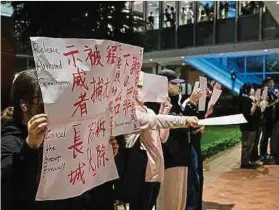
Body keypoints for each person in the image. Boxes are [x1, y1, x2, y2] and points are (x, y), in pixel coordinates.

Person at [1, 69, 88, 210]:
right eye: (44, 102)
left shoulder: (62, 136)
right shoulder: (9, 141)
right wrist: (30, 147)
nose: (52, 108)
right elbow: (9, 186)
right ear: (24, 105)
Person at [124, 71, 199, 210]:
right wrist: (185, 120)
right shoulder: (131, 112)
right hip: (143, 173)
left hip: (156, 172)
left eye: (143, 86)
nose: (143, 90)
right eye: (139, 86)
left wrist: (165, 108)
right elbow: (157, 121)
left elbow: (162, 137)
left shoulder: (148, 110)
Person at [156, 69, 202, 210]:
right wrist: (190, 104)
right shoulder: (160, 103)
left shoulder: (175, 101)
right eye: (174, 83)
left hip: (182, 155)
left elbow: (182, 120)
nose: (177, 86)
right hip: (169, 158)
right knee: (168, 199)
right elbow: (172, 122)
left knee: (180, 198)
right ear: (165, 85)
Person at [238, 83, 261, 169]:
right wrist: (255, 103)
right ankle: (244, 163)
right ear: (247, 90)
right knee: (247, 144)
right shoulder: (245, 100)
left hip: (251, 125)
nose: (253, 90)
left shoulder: (248, 99)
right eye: (251, 89)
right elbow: (250, 112)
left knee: (249, 144)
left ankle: (246, 161)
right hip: (248, 126)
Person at [260, 78, 276, 162]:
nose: (273, 83)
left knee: (268, 137)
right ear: (266, 83)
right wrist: (275, 101)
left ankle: (265, 153)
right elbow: (265, 105)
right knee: (265, 137)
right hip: (265, 119)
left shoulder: (271, 93)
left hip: (271, 119)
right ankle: (262, 154)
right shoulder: (264, 92)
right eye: (271, 82)